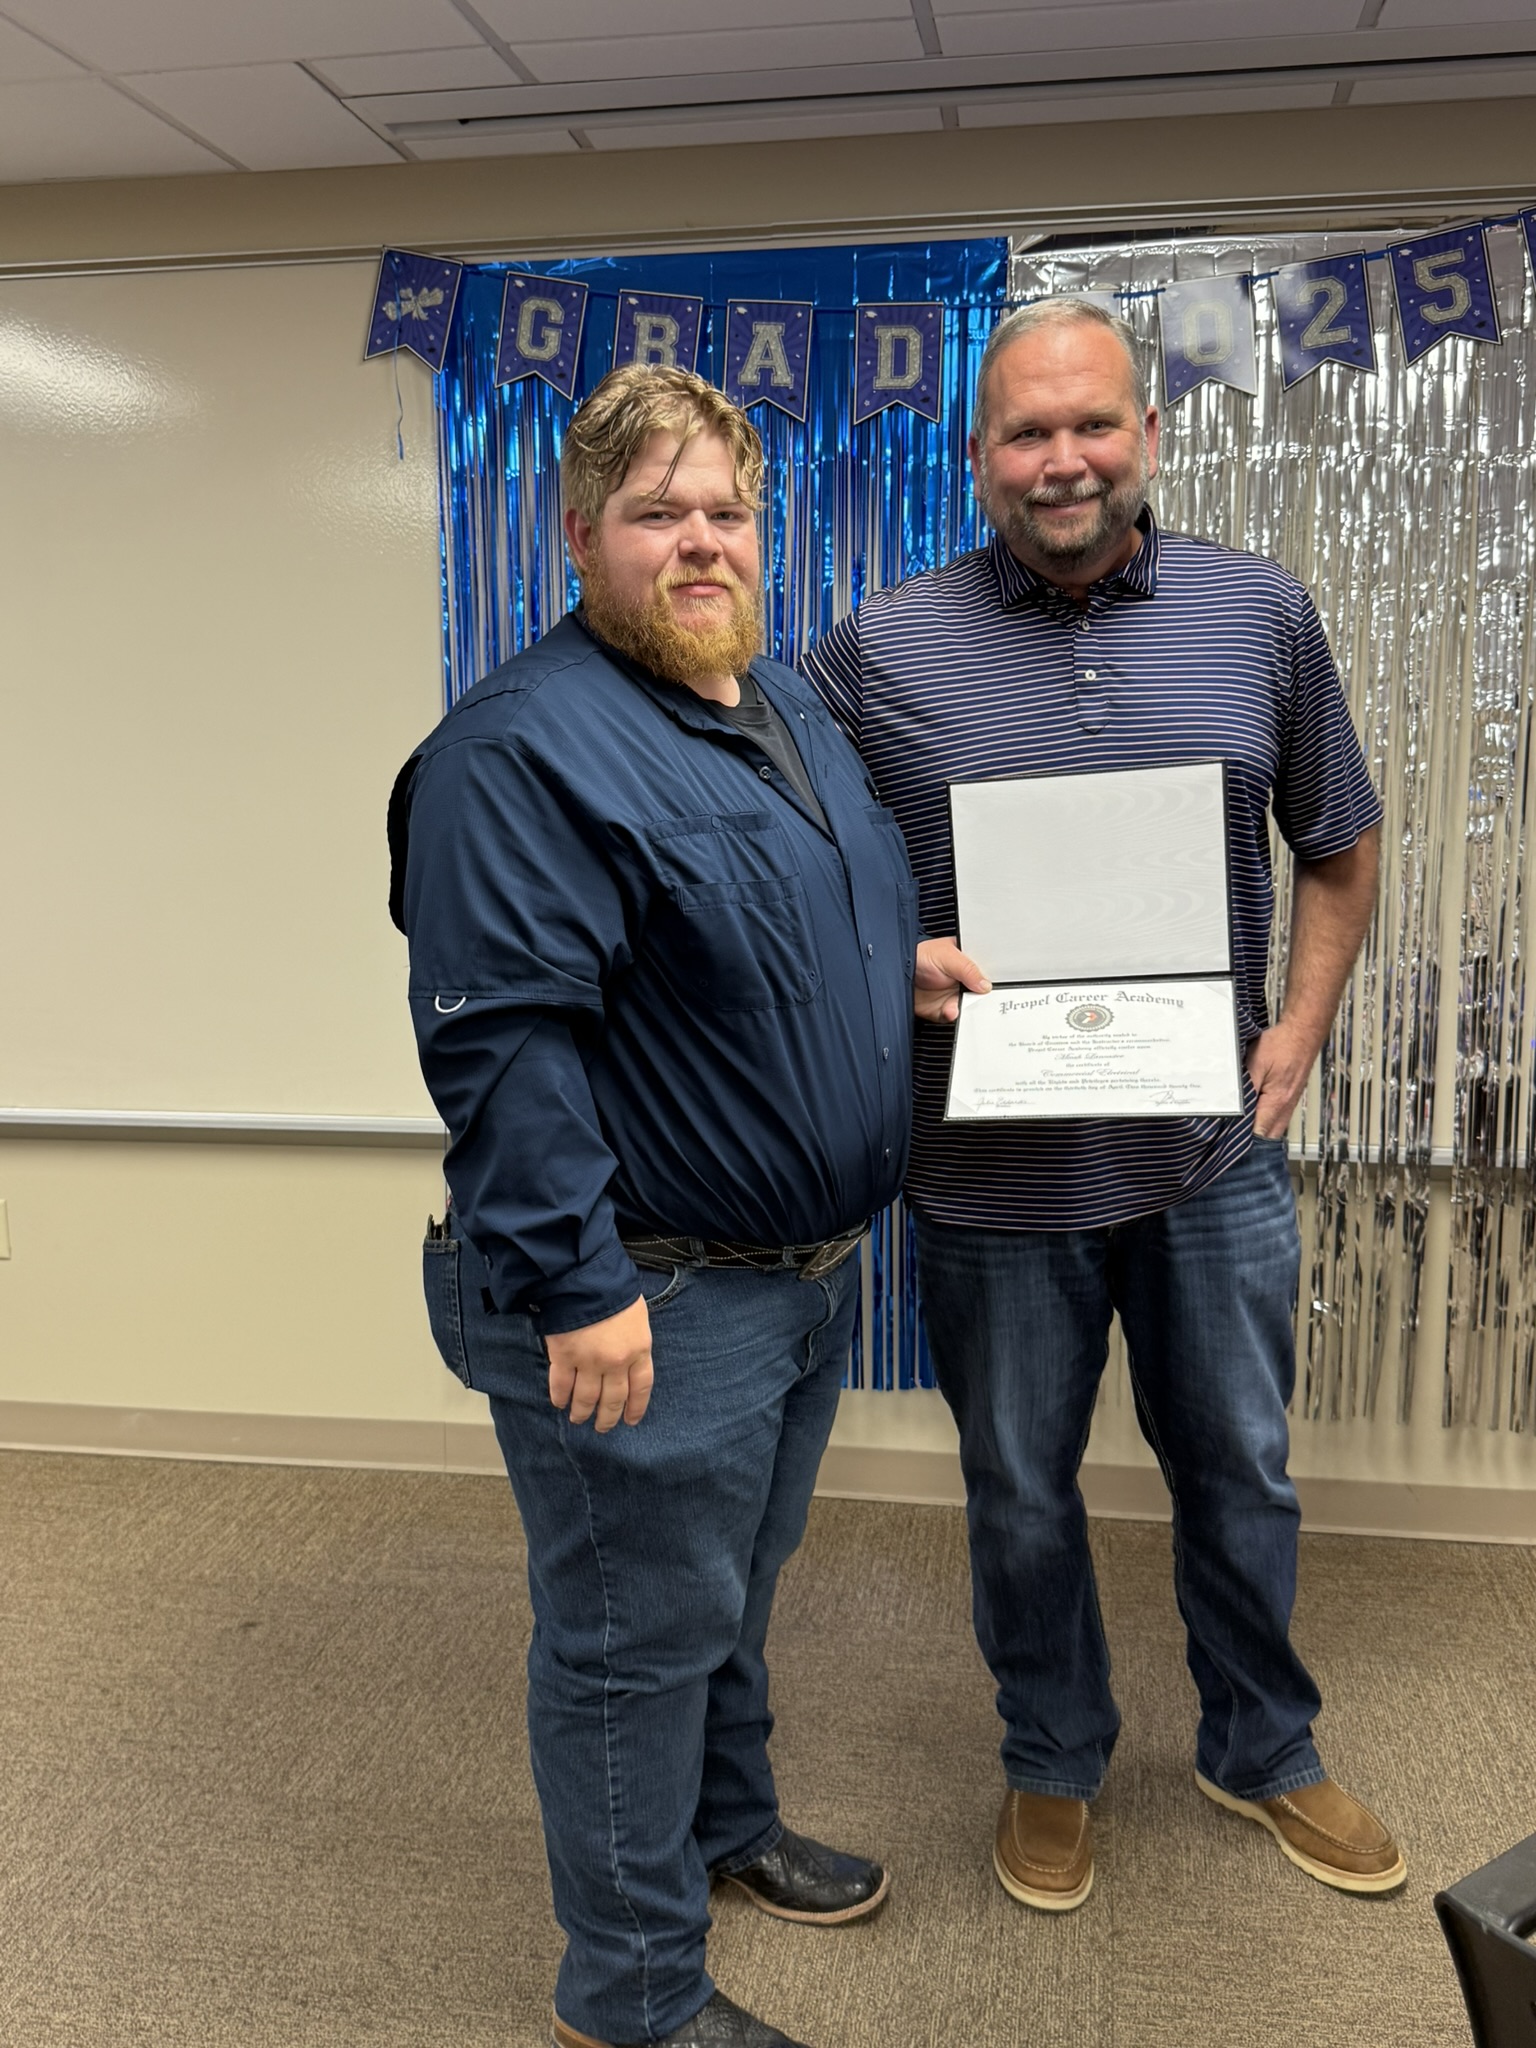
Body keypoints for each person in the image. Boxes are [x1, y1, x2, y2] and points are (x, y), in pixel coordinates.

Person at [801, 298, 1402, 1912]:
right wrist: (886, 962)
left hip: (1208, 1159)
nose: (1062, 459)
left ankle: (1262, 1747)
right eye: (1027, 432)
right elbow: (795, 875)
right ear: (977, 454)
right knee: (1019, 1491)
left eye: (1091, 424)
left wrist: (1301, 1031)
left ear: (1146, 433)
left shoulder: (1260, 612)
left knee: (1243, 1471)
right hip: (987, 1178)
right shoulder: (876, 648)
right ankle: (1051, 1757)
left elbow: (1339, 843)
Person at [388, 365, 917, 2048]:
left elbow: (766, 925)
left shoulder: (777, 699)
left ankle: (726, 1825)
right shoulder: (517, 752)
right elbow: (504, 1044)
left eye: (726, 511)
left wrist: (894, 972)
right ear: (578, 535)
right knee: (631, 1643)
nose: (701, 541)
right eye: (655, 512)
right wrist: (577, 1284)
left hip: (792, 1279)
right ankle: (630, 1994)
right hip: (643, 1295)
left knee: (729, 1593)